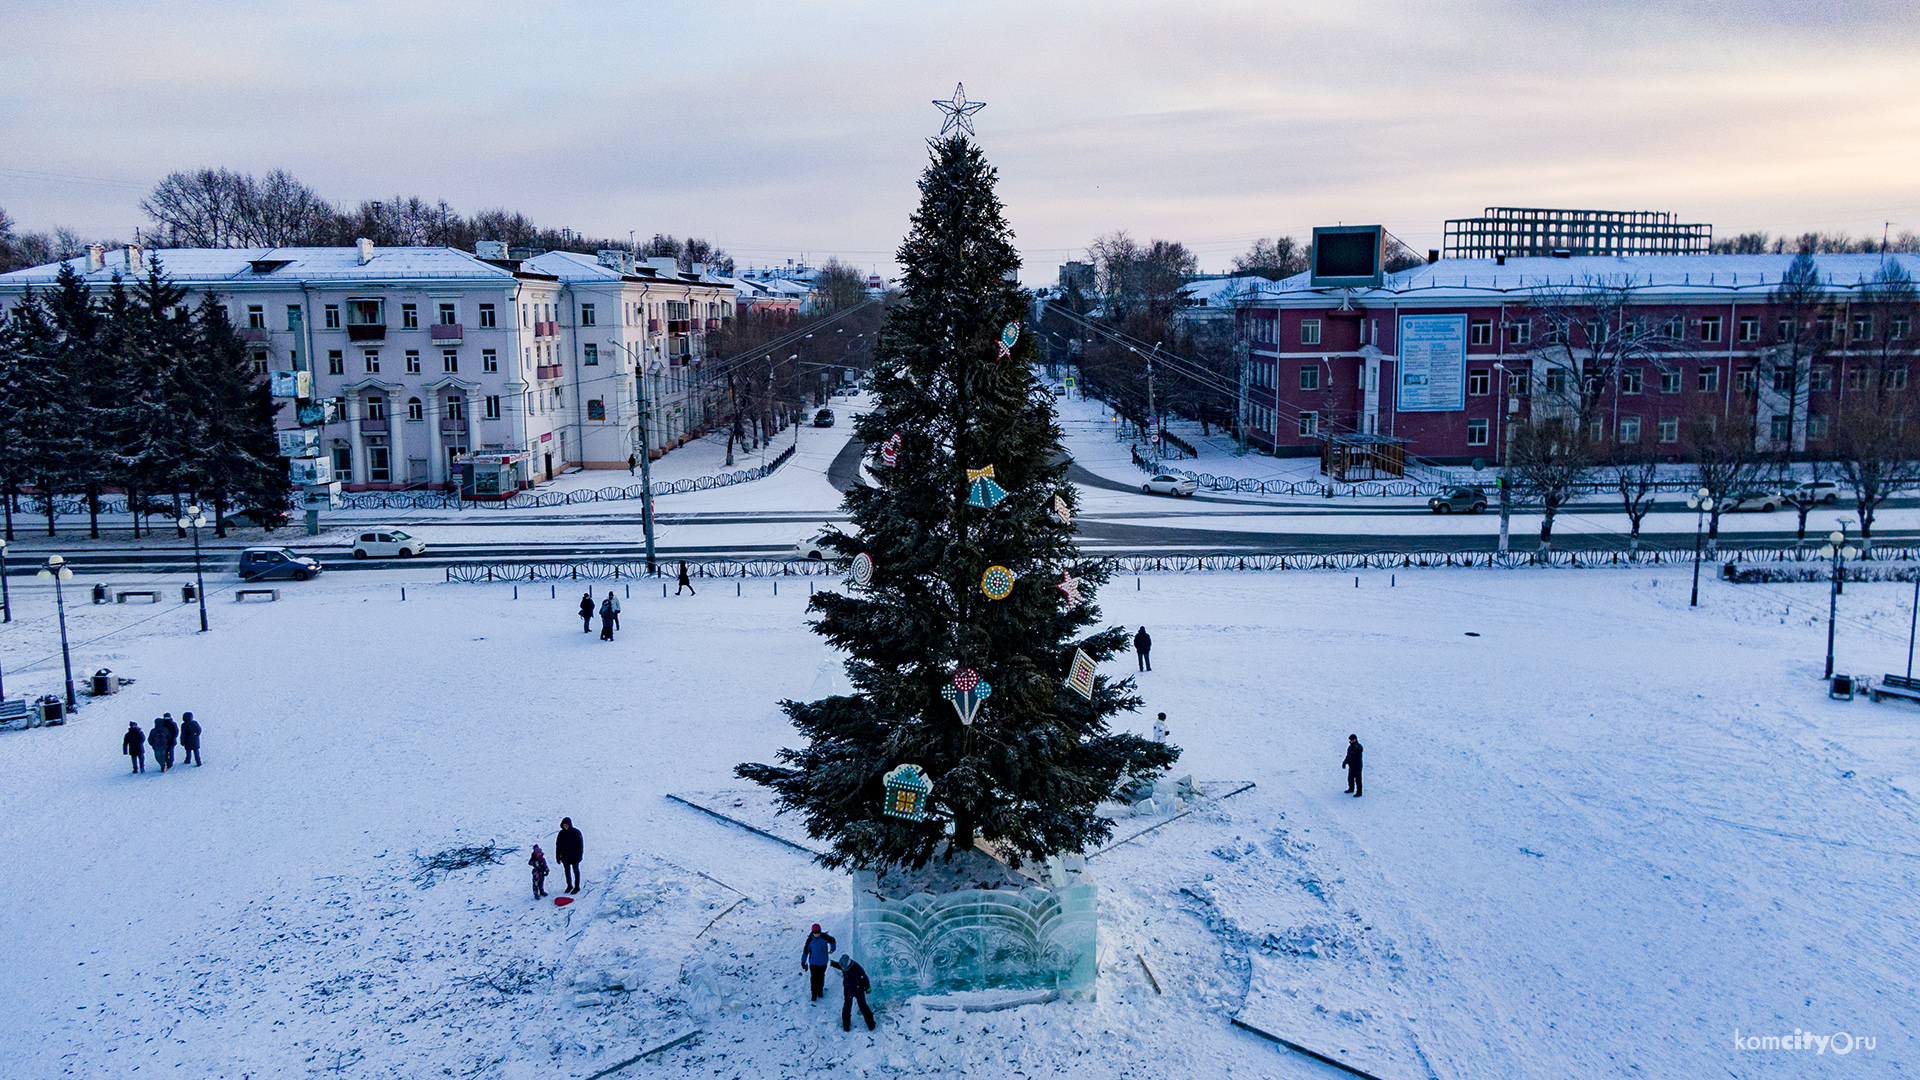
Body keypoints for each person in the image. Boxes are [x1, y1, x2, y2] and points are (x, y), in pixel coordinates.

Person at [832, 954, 874, 1031]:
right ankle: (846, 1025)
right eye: (842, 968)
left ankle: (871, 1024)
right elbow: (839, 966)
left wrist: (867, 988)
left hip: (859, 990)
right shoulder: (844, 966)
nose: (843, 969)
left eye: (844, 968)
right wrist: (833, 963)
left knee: (863, 1006)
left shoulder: (857, 969)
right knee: (847, 1007)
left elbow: (864, 978)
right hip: (848, 990)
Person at [801, 924, 837, 1002]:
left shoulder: (824, 937)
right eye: (815, 933)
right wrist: (803, 961)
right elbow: (805, 952)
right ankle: (814, 993)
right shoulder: (810, 940)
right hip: (813, 963)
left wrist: (832, 949)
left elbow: (832, 941)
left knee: (821, 977)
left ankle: (820, 991)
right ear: (812, 932)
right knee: (814, 978)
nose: (817, 934)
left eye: (818, 932)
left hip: (823, 962)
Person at [555, 817, 583, 894]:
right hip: (565, 857)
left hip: (575, 857)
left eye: (567, 825)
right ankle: (569, 885)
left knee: (576, 871)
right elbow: (558, 846)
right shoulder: (561, 834)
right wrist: (558, 857)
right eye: (564, 825)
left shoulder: (576, 833)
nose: (565, 826)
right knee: (567, 872)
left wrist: (579, 857)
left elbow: (580, 846)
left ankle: (577, 887)